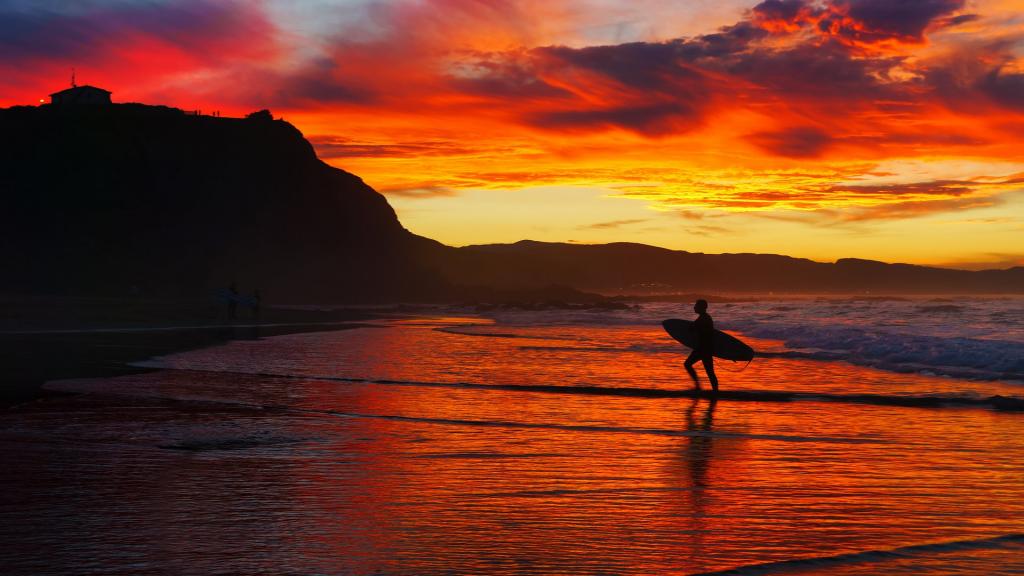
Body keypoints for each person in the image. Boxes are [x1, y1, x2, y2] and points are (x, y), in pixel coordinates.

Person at [685, 299, 719, 393]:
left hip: (703, 349)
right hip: (704, 348)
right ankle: (714, 391)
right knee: (710, 372)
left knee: (688, 365)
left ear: (702, 307)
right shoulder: (704, 317)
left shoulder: (703, 318)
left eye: (696, 305)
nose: (694, 307)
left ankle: (700, 387)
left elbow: (692, 329)